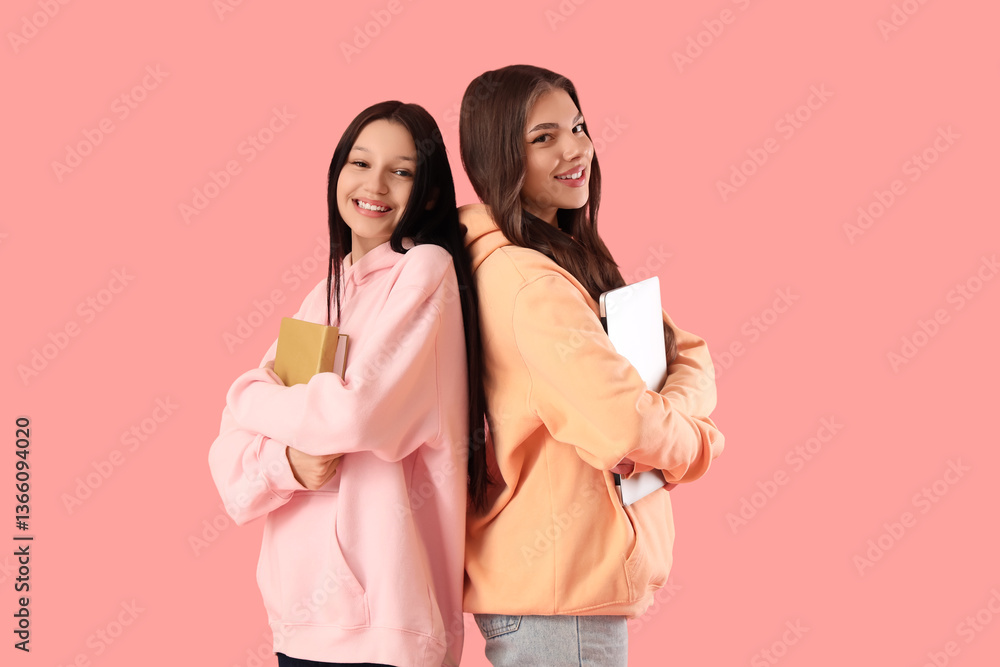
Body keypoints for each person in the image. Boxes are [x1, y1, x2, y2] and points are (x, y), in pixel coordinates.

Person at [457, 65, 725, 666]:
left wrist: (663, 417)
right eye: (543, 137)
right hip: (559, 599)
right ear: (499, 156)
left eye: (577, 126)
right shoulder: (528, 284)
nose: (574, 149)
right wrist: (701, 444)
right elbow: (625, 429)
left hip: (563, 594)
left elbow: (689, 354)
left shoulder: (562, 258)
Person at [208, 100, 485, 667]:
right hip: (298, 623)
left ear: (429, 193)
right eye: (359, 163)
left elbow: (356, 416)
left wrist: (251, 394)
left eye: (401, 171)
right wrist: (285, 462)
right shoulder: (325, 294)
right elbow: (229, 450)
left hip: (387, 630)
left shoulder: (425, 273)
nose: (374, 184)